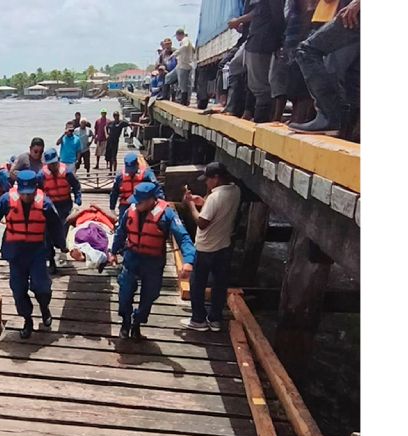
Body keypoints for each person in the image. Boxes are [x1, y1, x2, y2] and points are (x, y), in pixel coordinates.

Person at [0, 170, 66, 339]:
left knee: (41, 287)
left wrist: (62, 245)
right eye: (23, 194)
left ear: (35, 190)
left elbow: (56, 226)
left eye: (30, 194)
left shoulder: (45, 204)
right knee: (18, 290)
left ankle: (44, 308)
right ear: (18, 190)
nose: (27, 197)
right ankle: (27, 320)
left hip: (37, 252)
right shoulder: (6, 200)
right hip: (16, 253)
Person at [111, 182, 195, 339]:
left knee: (150, 295)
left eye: (140, 201)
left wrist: (188, 261)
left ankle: (137, 323)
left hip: (153, 262)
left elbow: (183, 237)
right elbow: (120, 232)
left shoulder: (167, 215)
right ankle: (125, 322)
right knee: (124, 292)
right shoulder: (131, 211)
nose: (136, 204)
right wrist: (113, 251)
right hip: (132, 258)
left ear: (151, 200)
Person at [180, 162, 241, 332]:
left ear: (216, 178)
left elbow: (202, 223)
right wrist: (202, 201)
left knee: (197, 283)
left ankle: (198, 319)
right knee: (219, 283)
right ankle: (215, 319)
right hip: (224, 245)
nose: (206, 183)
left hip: (206, 247)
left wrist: (190, 205)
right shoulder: (235, 191)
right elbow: (216, 207)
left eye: (208, 180)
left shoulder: (215, 198)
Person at [289, 0, 360, 136]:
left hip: (355, 13)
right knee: (352, 78)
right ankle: (346, 132)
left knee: (306, 51)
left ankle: (329, 117)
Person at [229, 0, 286, 122]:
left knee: (261, 87)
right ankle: (236, 109)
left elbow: (264, 11)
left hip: (262, 40)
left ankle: (261, 119)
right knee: (235, 66)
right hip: (252, 39)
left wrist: (239, 20)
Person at [38, 147, 81, 273]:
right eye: (50, 164)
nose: (53, 166)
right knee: (47, 234)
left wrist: (78, 201)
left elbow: (76, 186)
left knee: (63, 230)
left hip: (65, 205)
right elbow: (38, 192)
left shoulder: (66, 172)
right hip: (49, 206)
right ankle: (51, 260)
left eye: (54, 163)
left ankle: (63, 246)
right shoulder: (41, 175)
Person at [109, 152, 164, 219]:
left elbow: (156, 187)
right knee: (123, 221)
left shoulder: (147, 174)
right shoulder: (120, 177)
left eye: (132, 169)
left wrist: (160, 201)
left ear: (137, 165)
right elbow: (114, 192)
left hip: (142, 203)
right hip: (126, 204)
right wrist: (112, 207)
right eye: (128, 170)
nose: (130, 172)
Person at [66, 204, 119, 273]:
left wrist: (100, 209)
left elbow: (115, 219)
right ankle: (104, 254)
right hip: (84, 225)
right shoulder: (83, 213)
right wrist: (84, 210)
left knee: (107, 238)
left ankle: (104, 253)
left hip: (102, 226)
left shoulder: (103, 214)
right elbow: (68, 220)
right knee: (79, 235)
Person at [172, 29, 195, 105]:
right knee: (186, 85)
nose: (177, 38)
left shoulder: (185, 40)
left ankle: (183, 101)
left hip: (184, 65)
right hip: (187, 64)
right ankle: (184, 100)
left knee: (183, 85)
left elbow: (184, 46)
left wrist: (175, 53)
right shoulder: (188, 41)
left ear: (179, 35)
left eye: (177, 36)